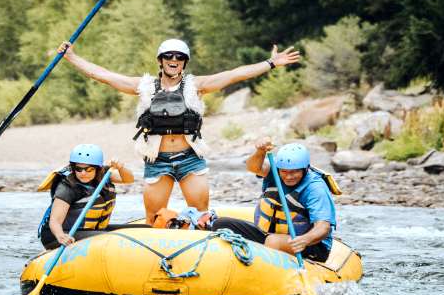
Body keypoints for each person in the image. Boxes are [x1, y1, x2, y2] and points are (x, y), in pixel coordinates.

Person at [57, 39, 300, 224]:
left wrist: (270, 63)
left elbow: (234, 75)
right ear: (160, 60)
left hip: (190, 160)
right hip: (157, 161)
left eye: (180, 57)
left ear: (184, 62)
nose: (174, 60)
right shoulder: (142, 86)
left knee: (202, 216)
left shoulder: (196, 86)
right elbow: (103, 75)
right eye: (169, 56)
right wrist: (72, 57)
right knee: (153, 218)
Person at [211, 140, 337, 262]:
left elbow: (323, 227)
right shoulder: (275, 171)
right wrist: (260, 151)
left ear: (306, 169)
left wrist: (305, 240)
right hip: (270, 233)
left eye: (294, 172)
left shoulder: (315, 188)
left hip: (309, 243)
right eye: (284, 172)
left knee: (273, 242)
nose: (288, 176)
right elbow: (253, 167)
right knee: (220, 224)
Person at [38, 144, 134, 249]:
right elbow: (55, 221)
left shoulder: (104, 174)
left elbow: (128, 179)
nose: (83, 173)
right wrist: (61, 236)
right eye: (78, 169)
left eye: (89, 169)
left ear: (97, 169)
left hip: (89, 230)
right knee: (114, 239)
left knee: (138, 231)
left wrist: (121, 168)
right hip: (59, 235)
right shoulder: (67, 187)